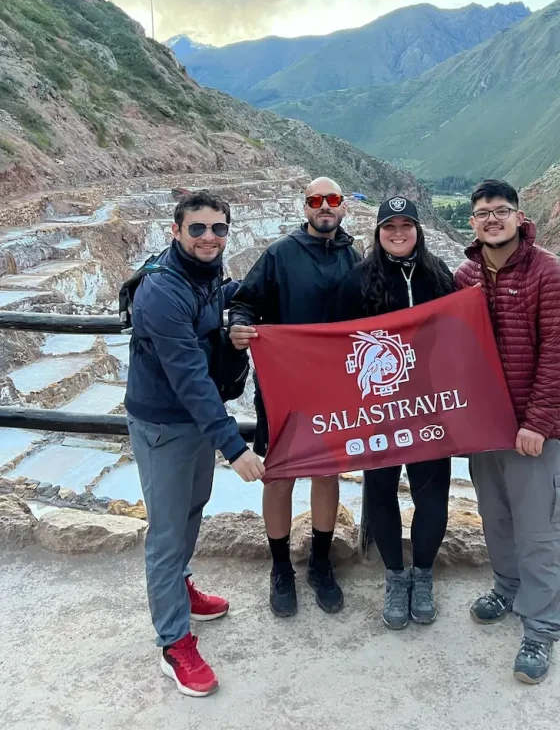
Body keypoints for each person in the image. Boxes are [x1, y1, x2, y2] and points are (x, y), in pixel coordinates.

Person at [125, 190, 265, 698]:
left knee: (191, 509)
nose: (210, 238)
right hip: (164, 424)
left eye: (218, 229)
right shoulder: (162, 292)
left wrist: (245, 309)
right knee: (166, 532)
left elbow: (223, 298)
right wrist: (235, 447)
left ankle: (179, 590)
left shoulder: (205, 273)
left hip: (192, 425)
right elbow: (189, 378)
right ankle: (173, 642)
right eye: (198, 229)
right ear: (176, 231)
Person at [454, 179, 560, 685]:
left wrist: (538, 421)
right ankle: (507, 588)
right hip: (485, 428)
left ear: (518, 216)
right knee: (498, 518)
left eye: (501, 210)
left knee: (541, 531)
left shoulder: (548, 272)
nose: (492, 219)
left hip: (535, 434)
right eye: (483, 212)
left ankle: (541, 627)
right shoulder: (466, 275)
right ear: (472, 222)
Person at [229, 176, 359, 617]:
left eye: (333, 200)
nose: (325, 206)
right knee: (278, 475)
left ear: (343, 208)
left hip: (334, 390)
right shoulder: (280, 255)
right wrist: (241, 327)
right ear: (305, 207)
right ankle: (281, 567)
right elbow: (245, 303)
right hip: (282, 391)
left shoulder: (354, 257)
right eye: (316, 200)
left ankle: (320, 564)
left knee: (326, 473)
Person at [334, 197, 455, 630]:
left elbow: (464, 329)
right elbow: (335, 345)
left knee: (432, 494)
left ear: (418, 231)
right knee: (381, 491)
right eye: (390, 226)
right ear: (378, 231)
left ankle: (423, 574)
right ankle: (394, 576)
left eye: (407, 225)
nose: (398, 233)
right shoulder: (358, 281)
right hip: (378, 411)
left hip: (428, 406)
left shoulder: (439, 275)